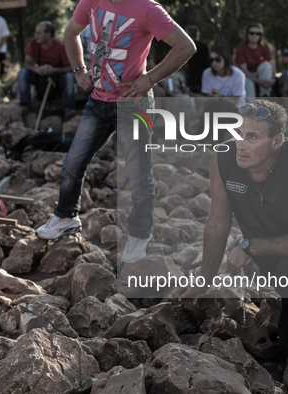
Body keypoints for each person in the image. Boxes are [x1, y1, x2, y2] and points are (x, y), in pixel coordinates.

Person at [178, 99, 288, 390]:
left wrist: (249, 247)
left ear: (276, 141)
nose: (240, 144)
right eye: (238, 133)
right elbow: (218, 220)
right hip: (266, 234)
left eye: (252, 137)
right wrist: (204, 276)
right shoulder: (224, 156)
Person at [35, 0, 196, 266]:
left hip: (133, 104)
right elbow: (70, 32)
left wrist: (150, 78)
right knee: (73, 162)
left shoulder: (147, 9)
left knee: (138, 173)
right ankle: (65, 216)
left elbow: (186, 46)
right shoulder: (91, 1)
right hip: (97, 101)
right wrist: (78, 71)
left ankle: (140, 234)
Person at [17, 21, 75, 119]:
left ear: (48, 34)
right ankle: (26, 106)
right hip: (40, 76)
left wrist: (54, 70)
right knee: (22, 73)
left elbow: (71, 68)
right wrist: (36, 70)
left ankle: (69, 109)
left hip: (57, 78)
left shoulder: (60, 47)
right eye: (36, 33)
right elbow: (26, 64)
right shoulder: (33, 43)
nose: (36, 36)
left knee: (70, 77)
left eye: (39, 33)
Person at [235, 23, 275, 98]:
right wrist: (258, 81)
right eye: (251, 33)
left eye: (257, 33)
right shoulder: (241, 47)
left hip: (260, 74)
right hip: (247, 75)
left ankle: (265, 95)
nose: (254, 36)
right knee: (248, 84)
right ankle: (251, 106)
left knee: (266, 66)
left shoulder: (264, 46)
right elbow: (244, 70)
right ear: (247, 34)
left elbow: (271, 63)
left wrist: (273, 78)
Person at [184, 25, 208, 94]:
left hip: (191, 81)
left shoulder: (188, 47)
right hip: (203, 80)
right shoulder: (204, 47)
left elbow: (186, 65)